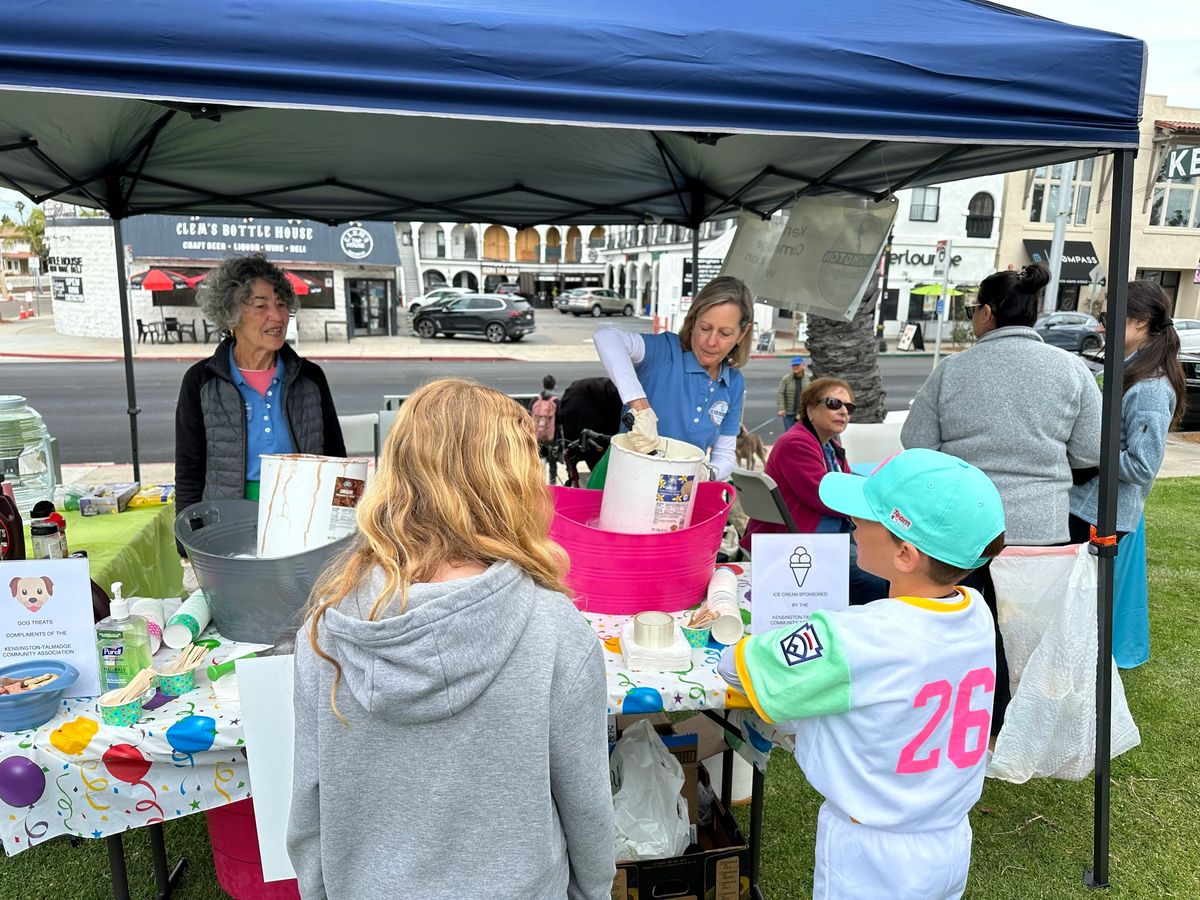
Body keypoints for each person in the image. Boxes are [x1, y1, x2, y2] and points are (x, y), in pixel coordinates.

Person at [287, 378, 614, 900]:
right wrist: (591, 891)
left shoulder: (325, 631)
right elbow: (588, 808)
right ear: (513, 486)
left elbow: (308, 804)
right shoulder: (556, 633)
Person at [719, 449, 1006, 900]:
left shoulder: (855, 637)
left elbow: (738, 667)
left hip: (871, 855)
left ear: (906, 554)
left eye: (867, 517)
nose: (854, 524)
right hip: (949, 839)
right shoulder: (976, 613)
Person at [900, 263, 1101, 734]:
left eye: (974, 310)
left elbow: (916, 441)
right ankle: (1024, 719)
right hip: (1042, 529)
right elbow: (1091, 450)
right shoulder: (1072, 370)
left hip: (965, 527)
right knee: (1030, 635)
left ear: (987, 313)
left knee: (964, 624)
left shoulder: (953, 371)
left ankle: (968, 715)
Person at [175, 254, 345, 510]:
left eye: (281, 304)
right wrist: (187, 536)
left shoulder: (310, 377)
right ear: (231, 316)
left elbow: (335, 457)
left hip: (304, 515)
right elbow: (189, 467)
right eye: (261, 306)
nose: (277, 316)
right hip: (228, 523)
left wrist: (340, 521)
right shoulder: (201, 380)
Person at [742, 377, 889, 605]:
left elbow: (847, 484)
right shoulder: (796, 444)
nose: (843, 412)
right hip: (801, 540)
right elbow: (826, 496)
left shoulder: (830, 445)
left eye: (849, 407)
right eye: (833, 403)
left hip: (822, 533)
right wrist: (881, 496)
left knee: (889, 557)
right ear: (810, 410)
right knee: (874, 572)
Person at [592, 276, 752, 484]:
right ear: (693, 321)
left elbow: (724, 456)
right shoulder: (664, 352)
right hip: (623, 481)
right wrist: (640, 407)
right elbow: (606, 337)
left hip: (677, 491)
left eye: (725, 333)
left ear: (742, 333)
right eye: (705, 328)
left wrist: (706, 473)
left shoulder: (734, 383)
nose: (712, 341)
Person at [1069, 280, 1187, 542]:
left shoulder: (1151, 387)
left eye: (1107, 317)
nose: (1099, 327)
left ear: (1141, 321)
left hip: (1097, 515)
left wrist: (1088, 452)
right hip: (1086, 507)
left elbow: (1142, 466)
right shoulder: (1127, 371)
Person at [776, 355, 809, 430]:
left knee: (803, 433)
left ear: (803, 365)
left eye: (797, 365)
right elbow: (780, 393)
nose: (795, 367)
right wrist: (781, 408)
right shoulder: (786, 379)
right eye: (793, 365)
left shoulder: (809, 378)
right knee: (789, 433)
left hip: (804, 413)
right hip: (789, 413)